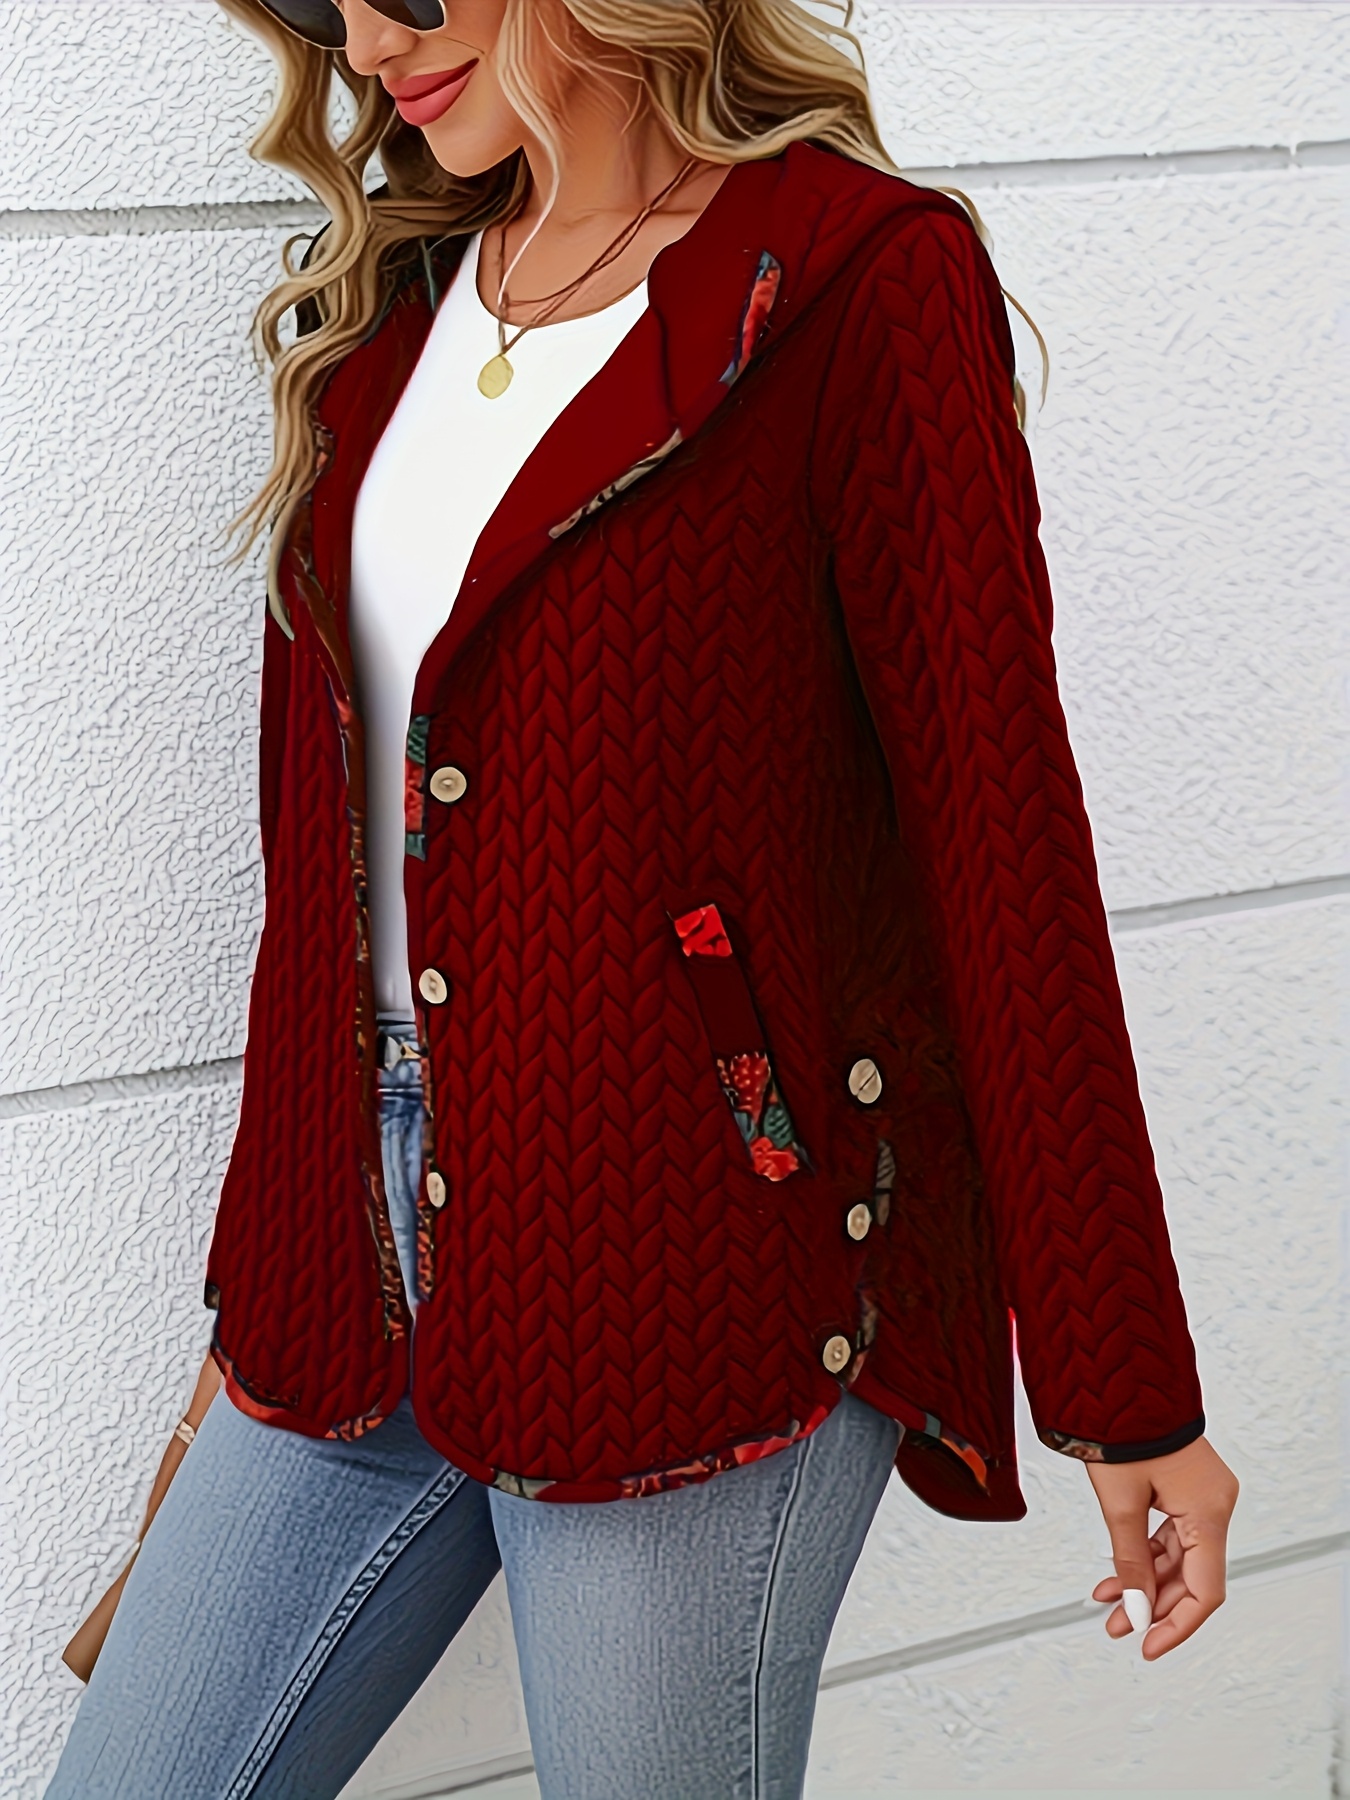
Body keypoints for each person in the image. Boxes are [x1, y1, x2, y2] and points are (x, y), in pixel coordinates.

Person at [48, 1, 1239, 1795]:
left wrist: (1119, 1375)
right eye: (315, 0)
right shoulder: (395, 303)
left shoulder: (853, 280)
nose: (361, 43)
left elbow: (1001, 848)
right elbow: (321, 875)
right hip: (352, 1269)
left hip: (690, 1257)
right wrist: (258, 1295)